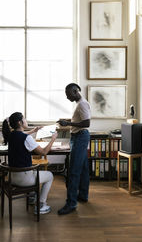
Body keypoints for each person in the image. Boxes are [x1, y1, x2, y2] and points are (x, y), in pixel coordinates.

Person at [2, 112, 58, 215]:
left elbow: (21, 135)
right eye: (24, 119)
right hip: (24, 179)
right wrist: (52, 139)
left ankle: (32, 198)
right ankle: (41, 205)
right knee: (49, 175)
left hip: (12, 177)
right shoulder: (27, 139)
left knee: (32, 170)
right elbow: (44, 152)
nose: (26, 120)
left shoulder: (11, 136)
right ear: (20, 122)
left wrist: (33, 130)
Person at [57, 83, 91, 215]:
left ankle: (71, 204)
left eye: (68, 94)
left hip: (80, 137)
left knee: (74, 171)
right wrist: (67, 120)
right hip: (79, 137)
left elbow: (87, 123)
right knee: (83, 169)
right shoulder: (80, 103)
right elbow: (81, 119)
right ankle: (83, 195)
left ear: (75, 91)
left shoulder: (82, 104)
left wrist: (69, 123)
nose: (67, 97)